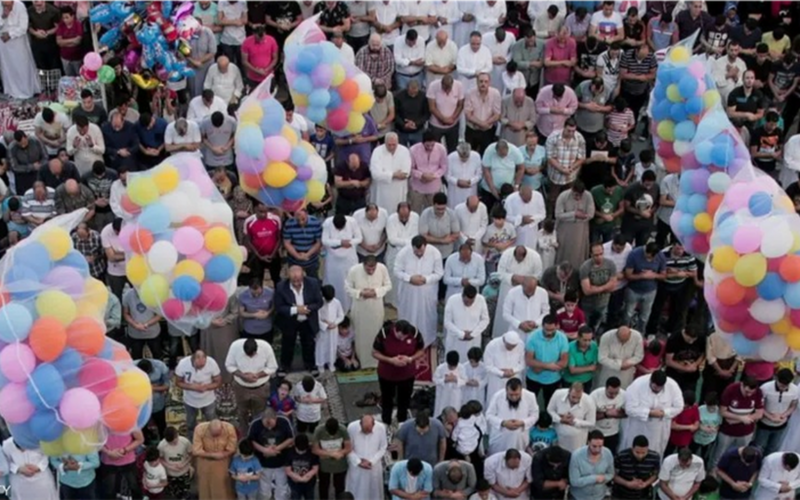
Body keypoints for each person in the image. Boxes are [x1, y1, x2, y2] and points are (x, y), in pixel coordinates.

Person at [372, 320, 426, 424]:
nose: (402, 339)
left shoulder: (414, 333)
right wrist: (390, 360)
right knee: (387, 400)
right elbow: (374, 352)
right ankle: (386, 422)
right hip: (387, 374)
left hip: (407, 375)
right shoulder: (384, 333)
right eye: (400, 337)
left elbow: (421, 350)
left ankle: (402, 421)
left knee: (404, 400)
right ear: (395, 330)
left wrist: (410, 358)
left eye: (405, 337)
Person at [394, 235, 443, 346]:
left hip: (427, 292)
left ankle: (428, 339)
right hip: (408, 292)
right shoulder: (403, 253)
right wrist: (410, 278)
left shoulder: (435, 253)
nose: (419, 254)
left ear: (425, 246)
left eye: (421, 252)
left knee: (428, 315)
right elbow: (396, 270)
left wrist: (426, 279)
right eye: (416, 252)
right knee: (408, 314)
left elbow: (439, 273)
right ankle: (405, 337)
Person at [622, 371, 684, 458]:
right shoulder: (637, 385)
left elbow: (679, 406)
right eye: (655, 387)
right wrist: (649, 413)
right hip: (638, 426)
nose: (657, 389)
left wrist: (664, 413)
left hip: (659, 428)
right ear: (650, 381)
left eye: (660, 387)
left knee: (655, 452)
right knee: (633, 451)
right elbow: (629, 409)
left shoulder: (672, 386)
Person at [275, 266, 324, 376]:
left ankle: (310, 365)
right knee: (287, 343)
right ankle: (285, 366)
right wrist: (296, 310)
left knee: (309, 343)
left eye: (299, 280)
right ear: (288, 277)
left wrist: (306, 309)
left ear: (303, 276)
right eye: (293, 281)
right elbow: (279, 307)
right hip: (290, 320)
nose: (296, 283)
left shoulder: (313, 283)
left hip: (307, 319)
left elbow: (319, 302)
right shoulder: (281, 287)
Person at [225, 337, 278, 434]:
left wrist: (257, 375)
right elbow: (229, 365)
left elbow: (272, 367)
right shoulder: (235, 346)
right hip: (240, 388)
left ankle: (256, 433)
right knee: (241, 412)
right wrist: (242, 375)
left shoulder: (266, 347)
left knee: (259, 413)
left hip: (260, 388)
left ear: (256, 350)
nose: (249, 357)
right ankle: (244, 434)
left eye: (251, 355)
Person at [712, 376, 764, 468]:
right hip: (727, 431)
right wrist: (741, 418)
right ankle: (714, 470)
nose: (749, 395)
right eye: (747, 392)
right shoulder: (730, 390)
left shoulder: (758, 392)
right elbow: (723, 411)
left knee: (741, 453)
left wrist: (737, 420)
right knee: (720, 452)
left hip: (746, 432)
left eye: (751, 393)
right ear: (742, 385)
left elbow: (759, 413)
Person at [249, 409, 295, 500]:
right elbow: (251, 440)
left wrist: (277, 448)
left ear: (276, 418)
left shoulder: (284, 421)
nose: (269, 428)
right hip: (263, 462)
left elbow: (291, 438)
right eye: (266, 424)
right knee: (264, 490)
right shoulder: (255, 423)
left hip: (282, 461)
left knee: (282, 488)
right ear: (262, 419)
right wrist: (264, 450)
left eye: (271, 424)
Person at [485, 378, 540, 455]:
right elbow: (489, 415)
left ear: (521, 390)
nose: (514, 397)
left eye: (517, 394)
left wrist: (522, 422)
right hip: (500, 438)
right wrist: (503, 423)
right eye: (511, 395)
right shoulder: (497, 396)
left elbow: (535, 415)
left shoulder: (530, 396)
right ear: (506, 390)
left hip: (520, 438)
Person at [0, 0, 41, 99]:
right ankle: (11, 91)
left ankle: (26, 90)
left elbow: (23, 27)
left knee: (22, 66)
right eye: (4, 5)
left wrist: (10, 34)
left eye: (8, 5)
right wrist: (3, 16)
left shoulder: (20, 6)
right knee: (8, 67)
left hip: (18, 42)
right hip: (4, 43)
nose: (6, 7)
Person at [755, 368, 799, 456]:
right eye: (781, 385)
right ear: (776, 378)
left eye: (786, 386)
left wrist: (784, 415)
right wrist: (769, 416)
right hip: (764, 425)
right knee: (759, 447)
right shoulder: (765, 388)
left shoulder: (795, 390)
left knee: (773, 449)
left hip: (781, 425)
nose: (783, 388)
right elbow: (759, 406)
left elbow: (793, 405)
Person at [345, 415, 388, 500]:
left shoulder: (381, 428)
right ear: (360, 424)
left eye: (370, 430)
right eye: (365, 430)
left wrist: (372, 461)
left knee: (374, 491)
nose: (368, 432)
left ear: (374, 424)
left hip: (374, 466)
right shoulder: (352, 427)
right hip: (356, 466)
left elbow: (383, 447)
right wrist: (358, 461)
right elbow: (348, 448)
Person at [193, 419, 238, 500]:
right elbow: (196, 451)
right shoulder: (199, 429)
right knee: (205, 487)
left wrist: (223, 454)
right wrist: (212, 455)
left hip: (223, 460)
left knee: (222, 487)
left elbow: (232, 448)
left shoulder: (229, 428)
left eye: (218, 434)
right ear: (209, 429)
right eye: (213, 435)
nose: (216, 437)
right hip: (204, 460)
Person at [444, 284, 490, 360]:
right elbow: (447, 322)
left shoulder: (481, 300)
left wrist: (473, 334)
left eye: (472, 302)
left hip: (473, 339)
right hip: (455, 340)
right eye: (466, 301)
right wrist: (461, 334)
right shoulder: (452, 300)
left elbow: (485, 320)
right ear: (462, 295)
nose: (469, 304)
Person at [579, 242, 618, 332]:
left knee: (601, 327)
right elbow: (587, 291)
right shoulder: (585, 267)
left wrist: (596, 288)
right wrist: (605, 287)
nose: (599, 257)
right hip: (588, 305)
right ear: (591, 255)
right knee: (586, 328)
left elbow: (613, 286)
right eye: (596, 255)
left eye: (601, 254)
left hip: (604, 303)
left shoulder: (610, 264)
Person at [548, 382, 597, 452]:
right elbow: (550, 410)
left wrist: (575, 421)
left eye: (579, 398)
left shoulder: (589, 401)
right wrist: (560, 419)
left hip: (577, 441)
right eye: (573, 397)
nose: (575, 400)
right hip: (558, 437)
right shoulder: (558, 394)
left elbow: (592, 422)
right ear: (569, 392)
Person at [370, 132, 412, 214]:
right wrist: (394, 174)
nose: (392, 147)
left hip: (399, 190)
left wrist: (385, 173)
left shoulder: (404, 151)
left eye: (394, 144)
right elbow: (375, 174)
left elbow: (406, 173)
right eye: (389, 145)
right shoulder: (377, 151)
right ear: (385, 142)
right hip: (381, 191)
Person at [568, 430, 615, 500]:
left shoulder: (607, 453)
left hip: (599, 496)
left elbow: (611, 473)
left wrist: (604, 478)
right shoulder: (576, 456)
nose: (597, 450)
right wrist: (595, 478)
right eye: (594, 446)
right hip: (579, 497)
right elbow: (574, 481)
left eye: (600, 446)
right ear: (588, 442)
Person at [312, 418, 351, 500]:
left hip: (340, 464)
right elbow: (315, 449)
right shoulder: (319, 430)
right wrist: (332, 454)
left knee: (339, 486)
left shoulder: (343, 430)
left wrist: (341, 453)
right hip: (324, 465)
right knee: (323, 486)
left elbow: (348, 448)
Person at [100, 430, 145, 500]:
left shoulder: (129, 421)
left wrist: (125, 450)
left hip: (128, 461)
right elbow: (93, 442)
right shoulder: (100, 422)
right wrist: (108, 452)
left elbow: (140, 439)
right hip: (108, 462)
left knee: (134, 487)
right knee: (109, 490)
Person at [612, 435, 660, 500]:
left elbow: (655, 475)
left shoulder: (654, 457)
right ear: (632, 448)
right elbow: (613, 475)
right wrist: (627, 483)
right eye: (637, 452)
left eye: (643, 453)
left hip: (644, 495)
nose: (640, 456)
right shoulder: (621, 456)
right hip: (622, 495)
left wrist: (645, 483)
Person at [157, 427, 193, 500]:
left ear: (177, 435)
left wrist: (184, 464)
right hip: (170, 475)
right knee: (172, 496)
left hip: (184, 473)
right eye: (170, 443)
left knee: (185, 495)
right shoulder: (161, 445)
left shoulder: (185, 442)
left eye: (174, 441)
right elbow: (160, 459)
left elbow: (191, 454)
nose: (173, 444)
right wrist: (170, 466)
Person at [285, 434, 320, 500]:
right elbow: (288, 470)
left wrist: (306, 477)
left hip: (309, 482)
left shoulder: (312, 452)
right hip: (294, 483)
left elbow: (315, 468)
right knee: (295, 497)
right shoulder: (289, 452)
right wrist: (298, 478)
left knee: (309, 497)